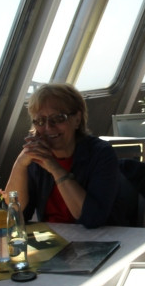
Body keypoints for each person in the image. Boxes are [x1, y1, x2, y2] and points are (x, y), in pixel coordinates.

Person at [6, 83, 120, 228]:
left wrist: (55, 169)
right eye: (40, 121)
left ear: (77, 119)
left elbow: (92, 218)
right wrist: (20, 165)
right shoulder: (36, 157)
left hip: (96, 236)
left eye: (58, 118)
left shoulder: (101, 154)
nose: (48, 127)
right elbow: (16, 214)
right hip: (52, 236)